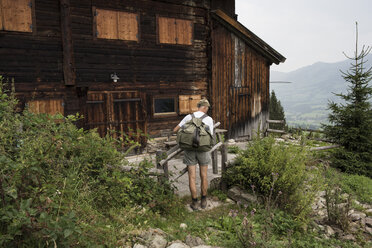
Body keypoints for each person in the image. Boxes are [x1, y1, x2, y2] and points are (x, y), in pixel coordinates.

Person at [173, 99, 214, 210]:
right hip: (203, 149)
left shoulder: (188, 117)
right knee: (204, 175)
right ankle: (204, 200)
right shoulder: (209, 119)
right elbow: (211, 135)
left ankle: (195, 202)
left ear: (199, 106)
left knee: (192, 176)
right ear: (205, 107)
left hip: (189, 149)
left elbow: (175, 130)